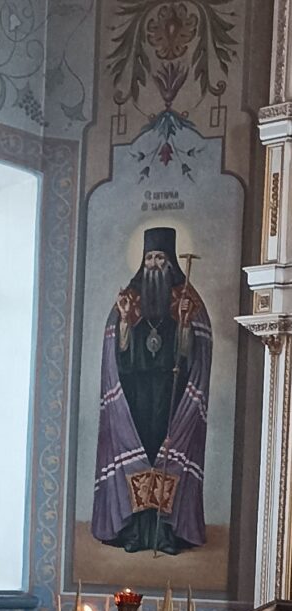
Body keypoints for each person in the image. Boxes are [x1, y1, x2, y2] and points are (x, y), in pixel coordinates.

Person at [92, 226, 211, 553]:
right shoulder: (130, 299)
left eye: (160, 257)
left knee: (165, 458)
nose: (154, 264)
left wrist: (184, 325)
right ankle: (135, 532)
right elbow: (118, 352)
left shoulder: (184, 299)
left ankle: (164, 534)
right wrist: (125, 323)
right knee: (138, 458)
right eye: (149, 258)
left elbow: (193, 353)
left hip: (172, 394)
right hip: (136, 397)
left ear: (170, 261)